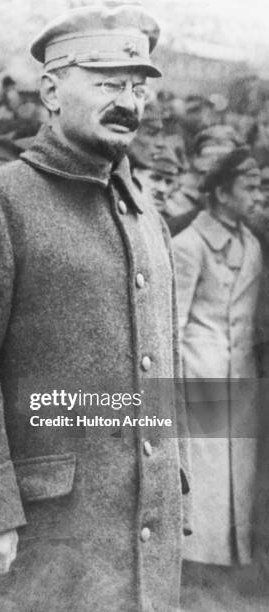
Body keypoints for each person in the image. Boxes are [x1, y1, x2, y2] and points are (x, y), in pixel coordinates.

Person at [0, 3, 191, 611]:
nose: (128, 101)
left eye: (137, 86)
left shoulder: (145, 215)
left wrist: (169, 484)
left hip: (135, 528)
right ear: (51, 90)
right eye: (107, 82)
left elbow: (161, 364)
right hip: (34, 536)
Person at [172, 147, 264, 610]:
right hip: (201, 378)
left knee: (237, 478)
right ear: (221, 192)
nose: (258, 193)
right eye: (248, 186)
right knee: (206, 479)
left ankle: (230, 560)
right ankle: (196, 569)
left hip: (240, 379)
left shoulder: (251, 242)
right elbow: (172, 326)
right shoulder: (188, 245)